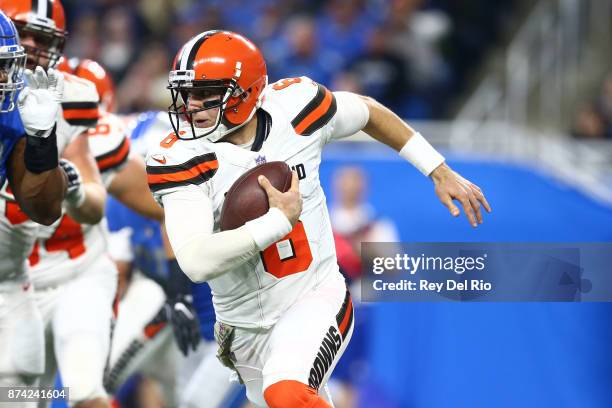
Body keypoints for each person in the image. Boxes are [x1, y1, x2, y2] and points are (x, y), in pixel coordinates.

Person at [146, 30, 491, 408]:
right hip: (242, 328)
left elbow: (367, 111)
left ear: (245, 93)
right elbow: (195, 260)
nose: (191, 106)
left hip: (313, 297)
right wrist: (278, 221)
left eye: (205, 94)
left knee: (287, 393)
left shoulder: (295, 109)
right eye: (187, 93)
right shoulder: (181, 158)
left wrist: (437, 169)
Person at [0, 8, 70, 407]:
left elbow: (44, 207)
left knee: (20, 397)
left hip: (11, 288)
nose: (3, 79)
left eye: (4, 67)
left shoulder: (14, 112)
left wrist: (43, 141)